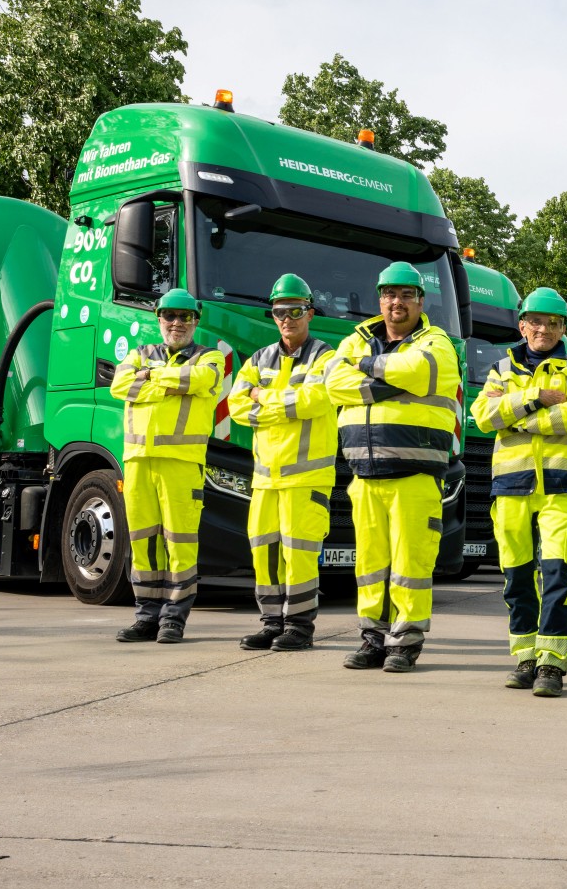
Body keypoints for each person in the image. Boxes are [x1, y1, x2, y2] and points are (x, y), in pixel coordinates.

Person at [326, 261, 461, 672]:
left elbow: (419, 371)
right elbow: (331, 380)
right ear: (379, 299)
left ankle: (404, 643)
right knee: (369, 565)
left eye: (405, 295)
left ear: (420, 301)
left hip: (415, 475)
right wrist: (387, 379)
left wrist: (364, 369)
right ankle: (372, 639)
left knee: (411, 564)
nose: (396, 302)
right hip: (364, 475)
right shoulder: (357, 338)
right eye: (389, 294)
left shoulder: (436, 341)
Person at [471, 285, 567, 697]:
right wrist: (537, 398)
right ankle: (525, 656)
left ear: (563, 328)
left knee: (559, 575)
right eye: (537, 321)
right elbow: (483, 416)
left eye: (553, 322)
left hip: (559, 487)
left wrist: (518, 417)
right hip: (510, 487)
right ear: (522, 325)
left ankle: (552, 664)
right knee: (517, 577)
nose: (544, 328)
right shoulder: (500, 369)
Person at [110, 287, 232, 644]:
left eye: (186, 317)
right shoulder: (139, 353)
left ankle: (173, 619)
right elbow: (120, 385)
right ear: (158, 319)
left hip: (182, 464)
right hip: (138, 463)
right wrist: (167, 382)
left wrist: (150, 377)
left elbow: (200, 381)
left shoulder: (210, 358)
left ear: (196, 321)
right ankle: (146, 616)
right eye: (170, 316)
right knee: (144, 542)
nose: (177, 323)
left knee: (180, 543)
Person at [226, 273, 338, 653]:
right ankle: (271, 623)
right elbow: (237, 406)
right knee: (265, 554)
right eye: (279, 312)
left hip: (306, 479)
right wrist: (285, 404)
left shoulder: (328, 357)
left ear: (310, 312)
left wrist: (265, 397)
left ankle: (299, 627)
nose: (287, 318)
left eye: (295, 310)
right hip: (265, 479)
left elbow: (317, 401)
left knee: (300, 555)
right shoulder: (260, 357)